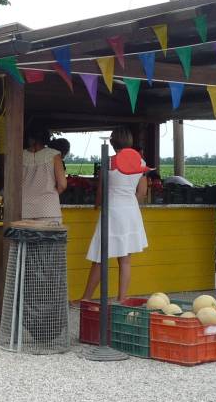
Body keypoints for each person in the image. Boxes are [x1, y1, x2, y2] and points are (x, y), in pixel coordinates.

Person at [80, 127, 149, 302]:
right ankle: (121, 299)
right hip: (131, 211)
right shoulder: (140, 162)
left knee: (100, 256)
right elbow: (142, 192)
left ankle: (86, 298)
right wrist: (129, 203)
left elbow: (101, 191)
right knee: (125, 260)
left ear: (112, 142)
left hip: (112, 211)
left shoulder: (109, 162)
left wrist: (96, 205)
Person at [21, 124, 66, 224]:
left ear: (30, 138)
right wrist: (50, 195)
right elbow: (62, 184)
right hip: (49, 209)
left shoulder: (20, 155)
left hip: (25, 210)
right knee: (49, 235)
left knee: (26, 235)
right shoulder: (54, 154)